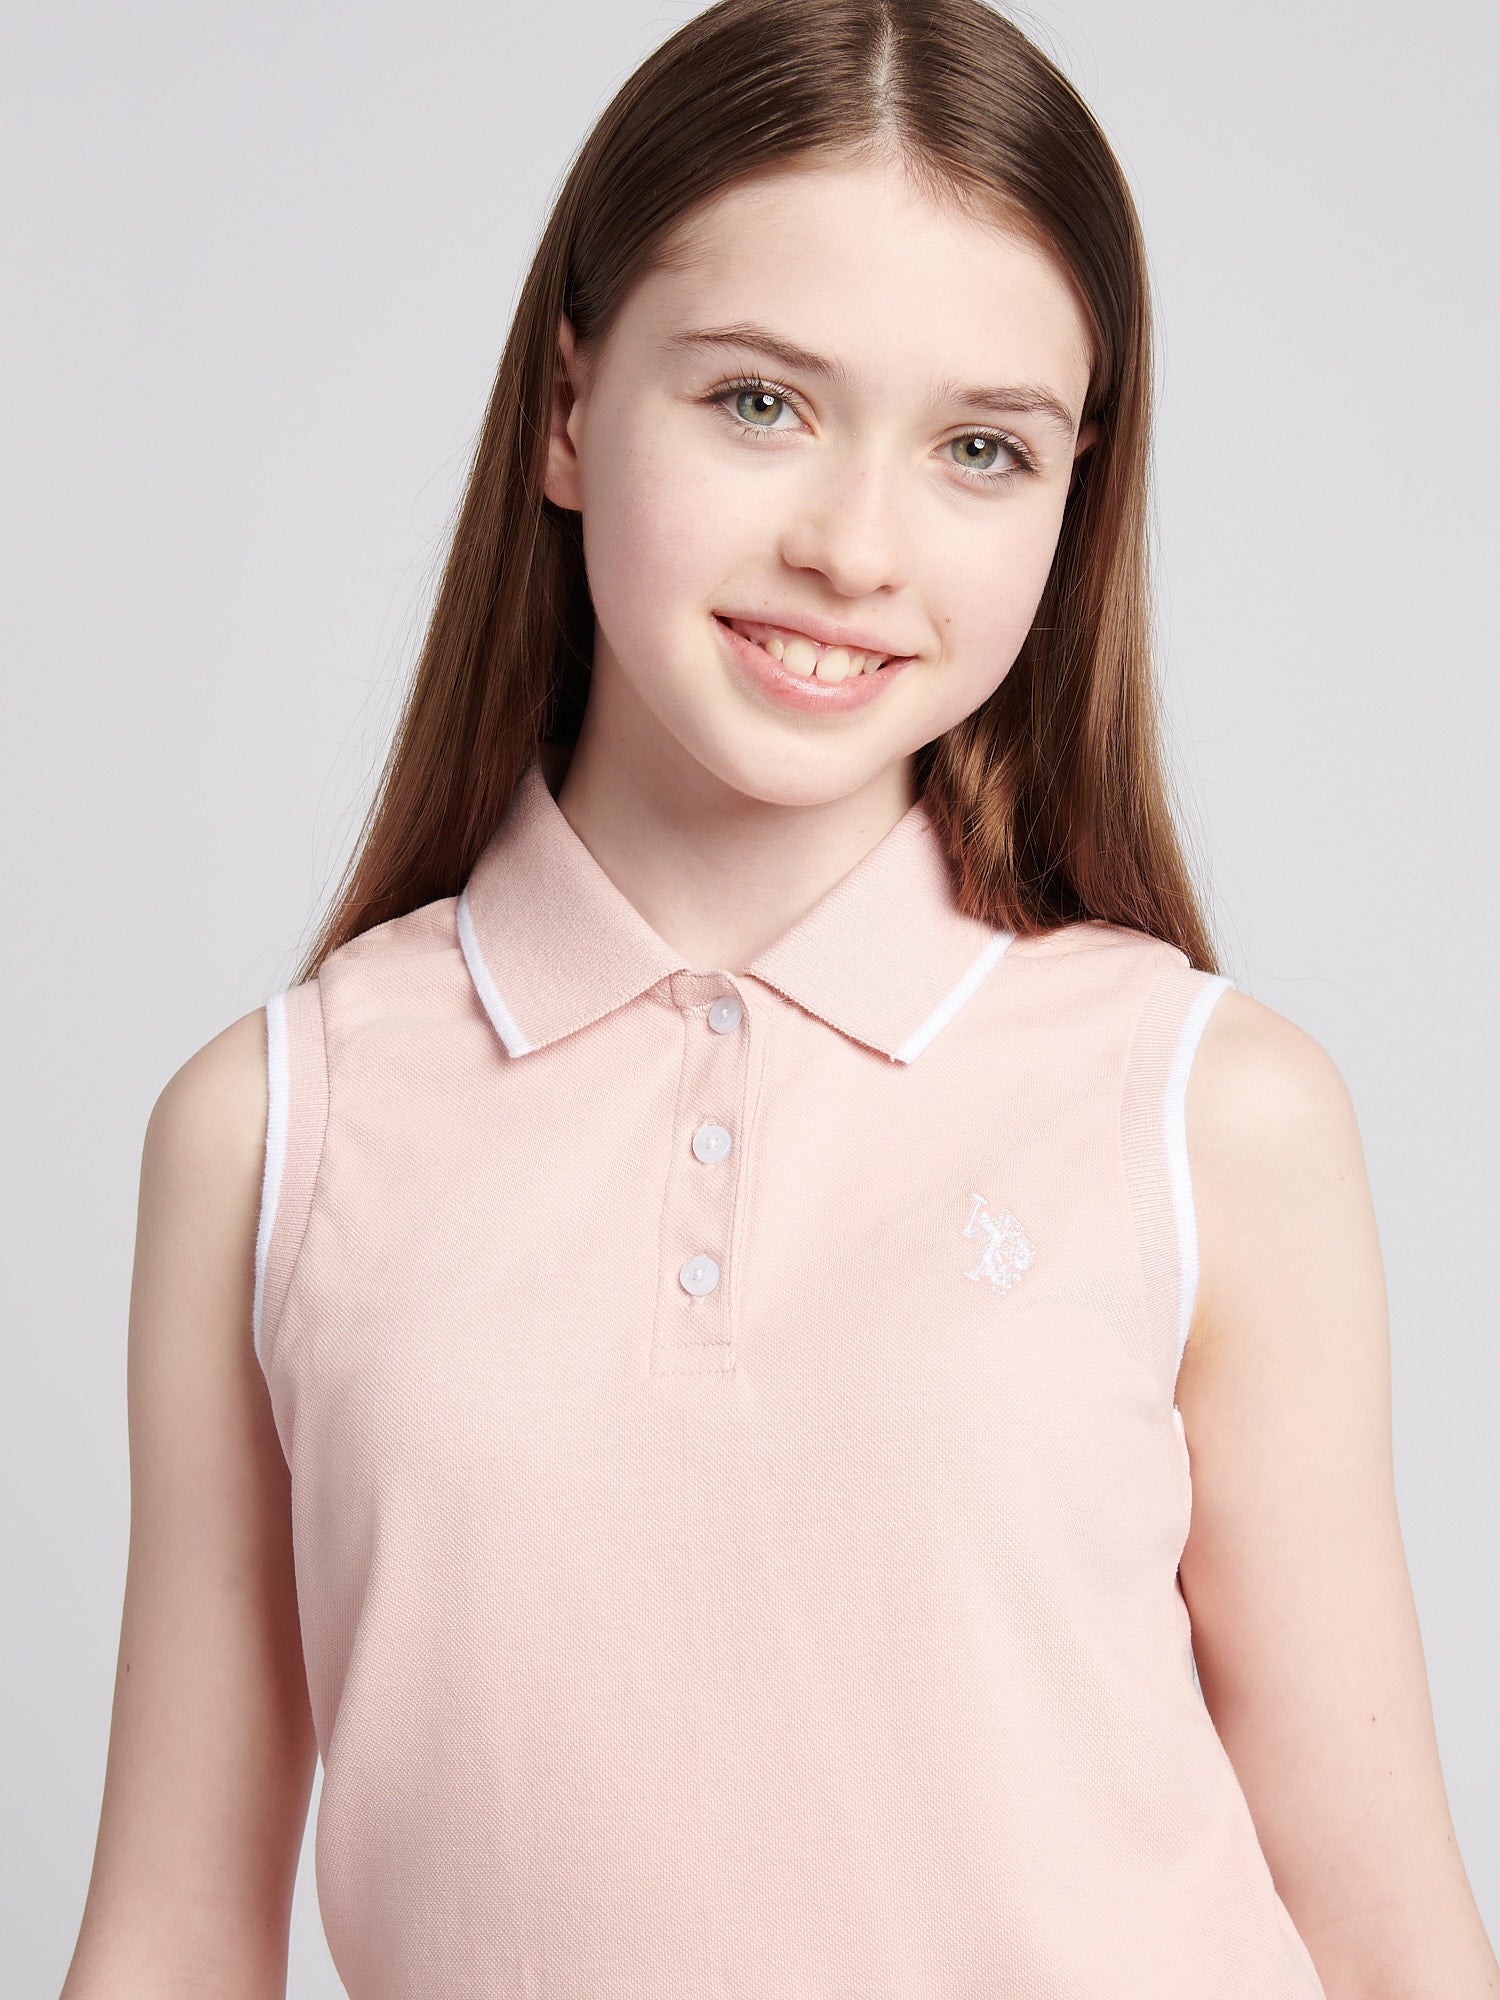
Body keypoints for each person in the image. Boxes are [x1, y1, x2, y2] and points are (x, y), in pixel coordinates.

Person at [61, 2, 1499, 1996]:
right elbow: (170, 1935)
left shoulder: (1205, 1111)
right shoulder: (276, 1128)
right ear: (569, 411)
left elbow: (1391, 1933)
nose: (853, 548)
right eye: (760, 402)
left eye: (983, 448)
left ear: (1072, 499)